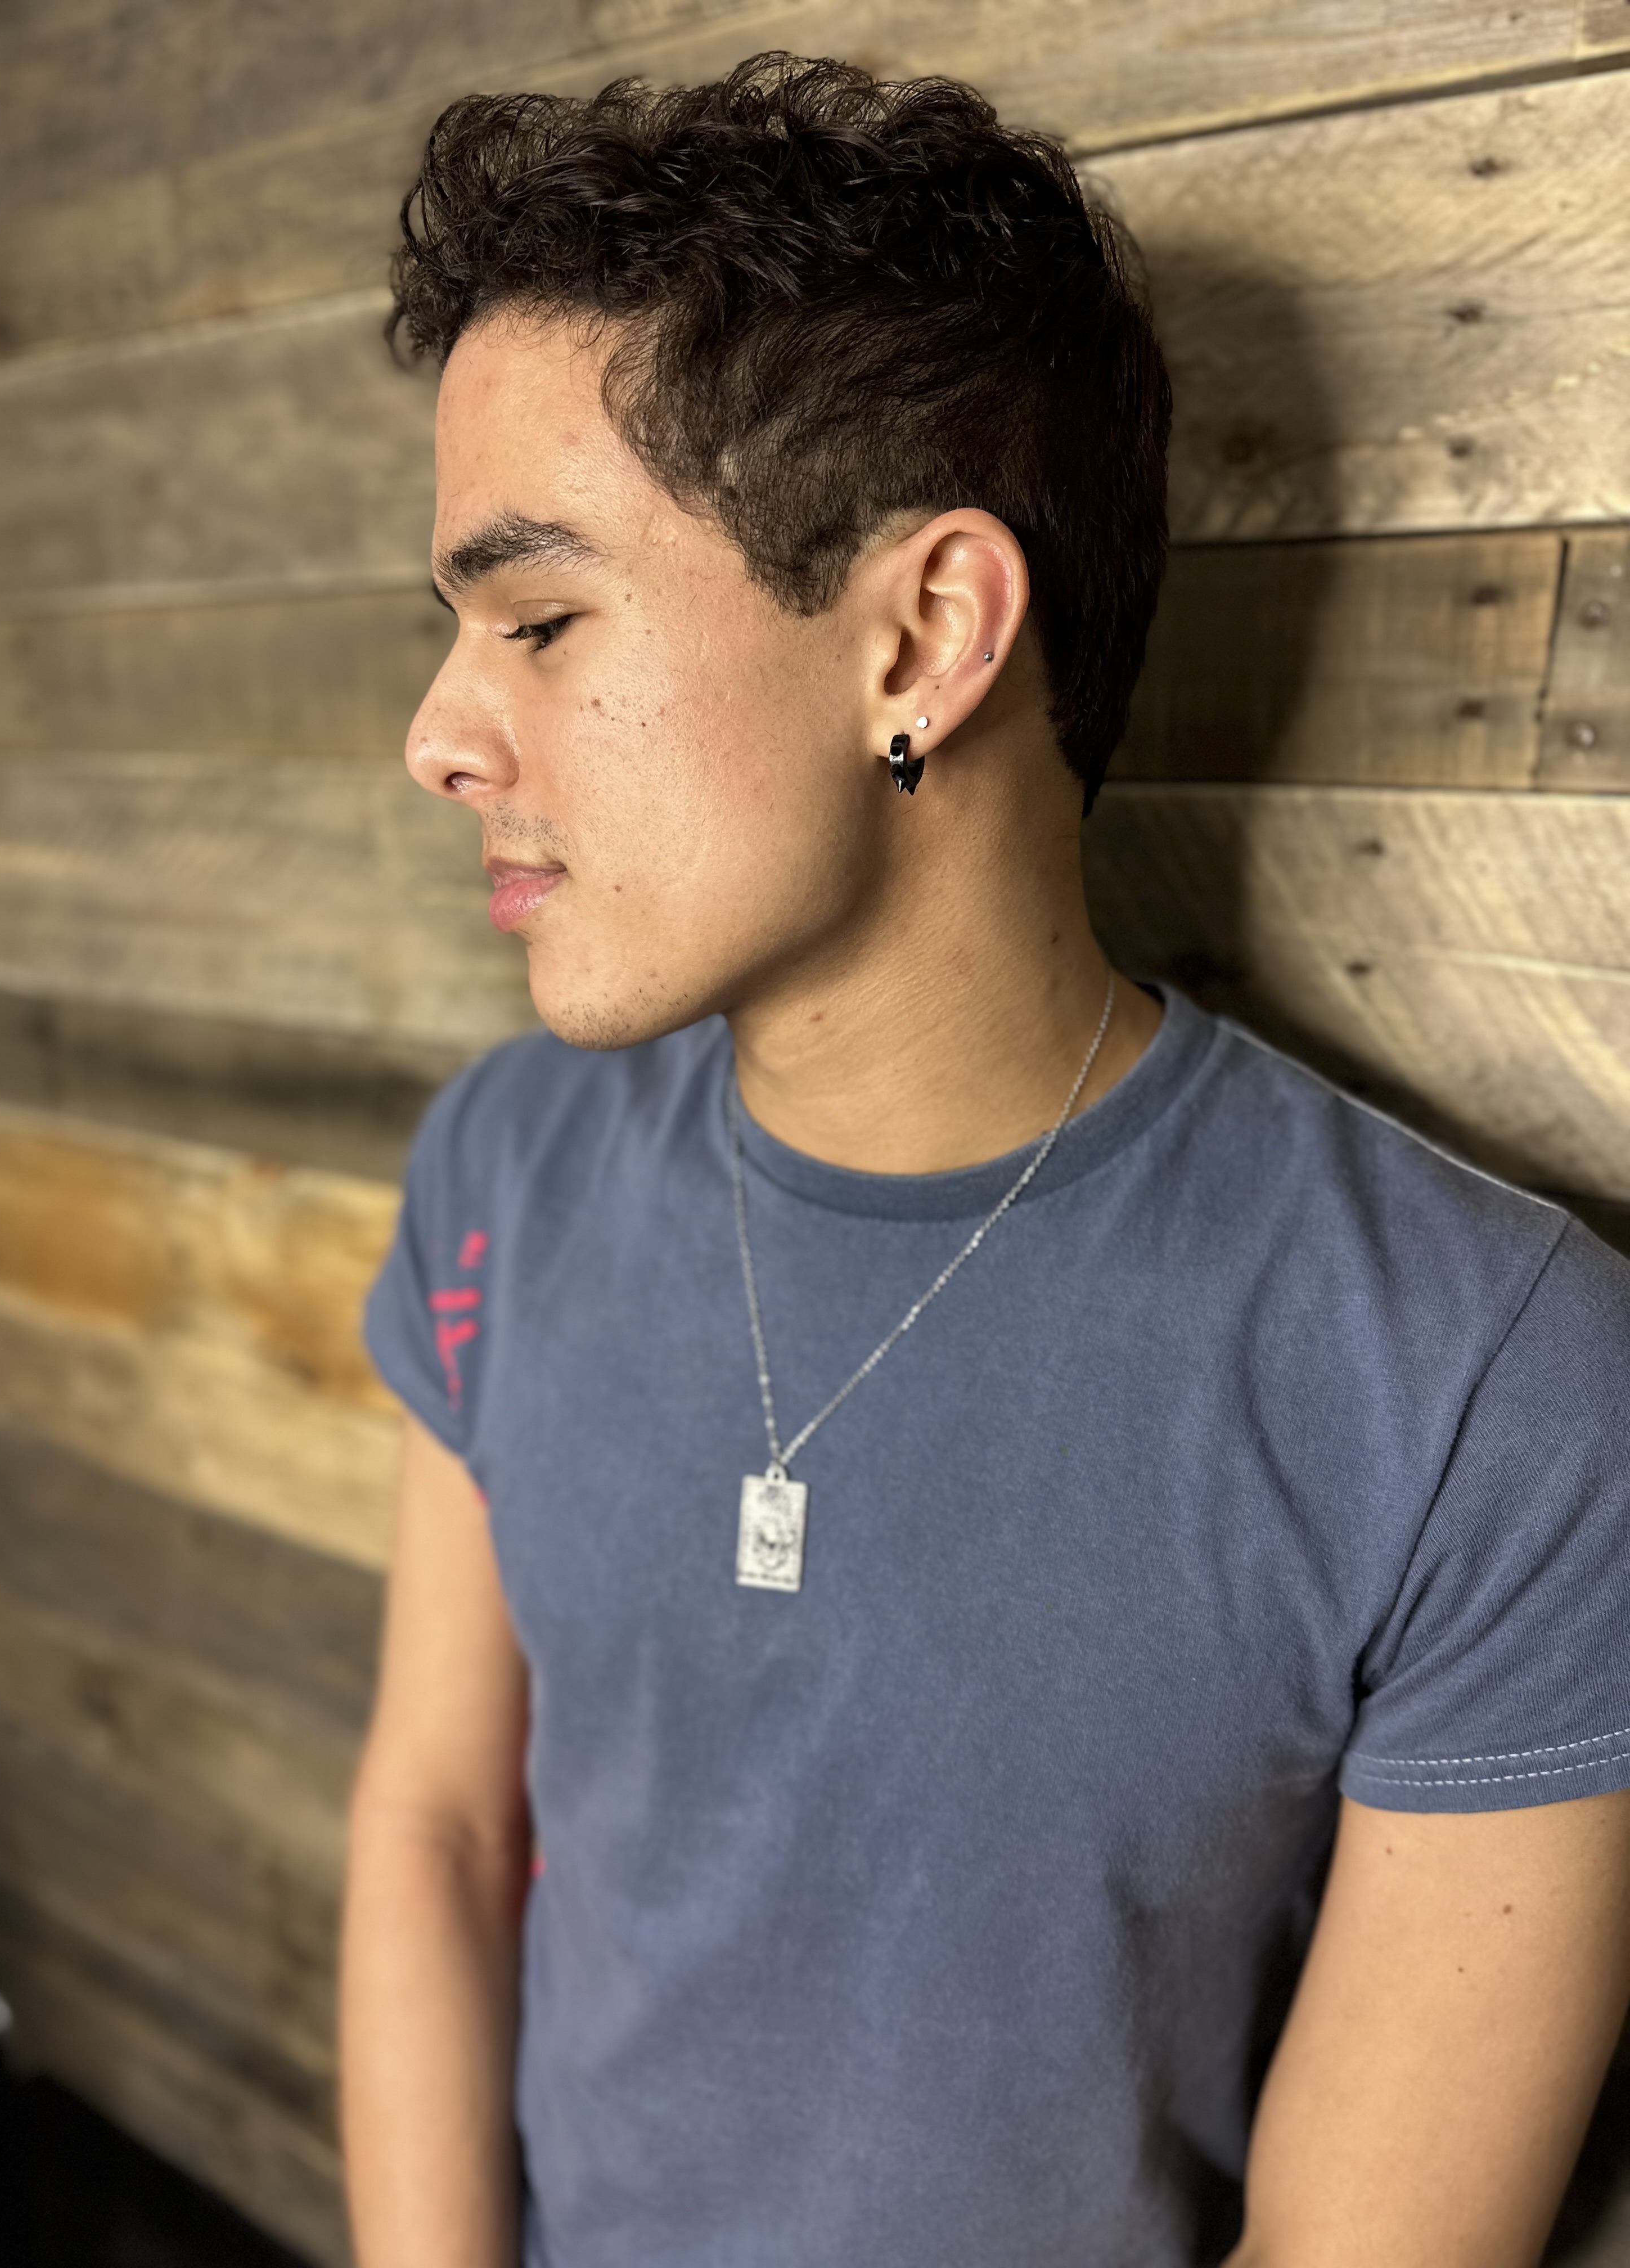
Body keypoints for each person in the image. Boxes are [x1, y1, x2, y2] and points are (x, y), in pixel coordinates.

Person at [340, 53, 1630, 2268]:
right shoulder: (509, 1173)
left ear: (921, 637)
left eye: (541, 617)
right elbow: (443, 1830)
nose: (441, 734)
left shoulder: (1490, 1387)